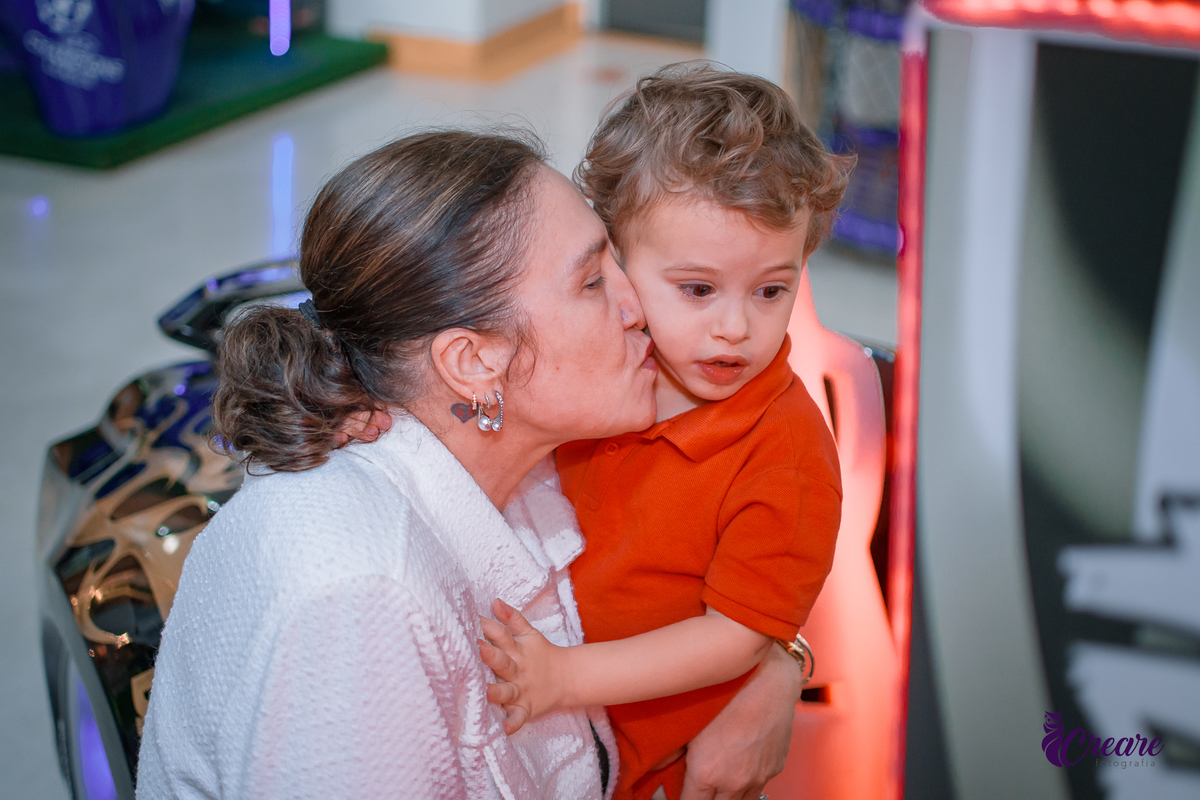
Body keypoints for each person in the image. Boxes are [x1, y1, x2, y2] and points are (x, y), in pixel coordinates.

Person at [135, 129, 805, 800]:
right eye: (595, 280)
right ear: (473, 362)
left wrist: (770, 660)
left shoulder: (522, 458)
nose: (639, 309)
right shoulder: (361, 602)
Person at [478, 64, 853, 800]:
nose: (736, 328)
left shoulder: (786, 451)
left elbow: (735, 636)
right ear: (614, 262)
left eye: (772, 290)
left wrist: (564, 677)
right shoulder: (589, 367)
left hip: (653, 766)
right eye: (697, 289)